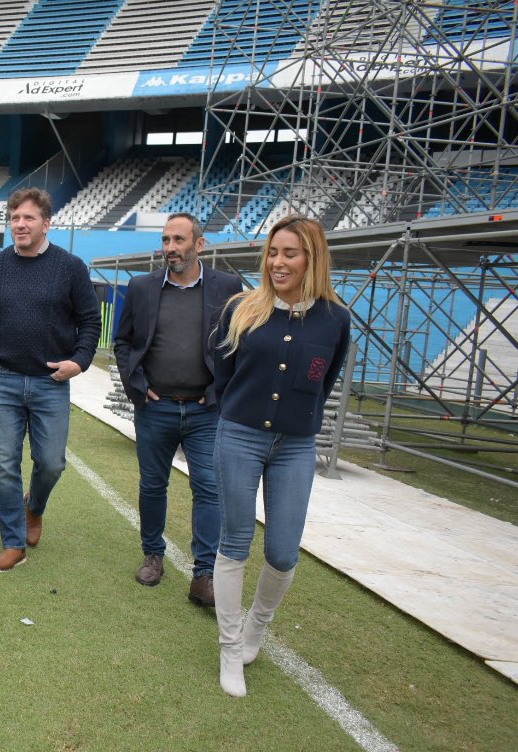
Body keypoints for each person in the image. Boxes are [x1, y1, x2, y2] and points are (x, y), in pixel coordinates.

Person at [211, 215, 351, 697]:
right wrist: (236, 414)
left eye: (290, 253)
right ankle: (230, 648)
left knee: (284, 551)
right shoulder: (242, 308)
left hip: (295, 444)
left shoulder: (335, 318)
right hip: (240, 435)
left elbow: (323, 382)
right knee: (235, 540)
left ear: (312, 259)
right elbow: (221, 373)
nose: (278, 262)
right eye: (273, 252)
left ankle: (256, 629)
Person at [113, 213, 243, 607]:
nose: (170, 248)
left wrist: (218, 390)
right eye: (166, 240)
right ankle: (153, 554)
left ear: (199, 245)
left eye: (179, 240)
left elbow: (236, 344)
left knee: (208, 487)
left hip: (206, 411)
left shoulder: (228, 287)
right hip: (157, 408)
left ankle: (203, 573)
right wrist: (137, 386)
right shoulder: (141, 287)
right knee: (153, 485)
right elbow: (124, 343)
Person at [0, 187, 101, 572]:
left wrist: (79, 363)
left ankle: (35, 508)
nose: (20, 224)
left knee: (51, 464)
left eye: (28, 218)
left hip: (51, 383)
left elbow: (90, 321)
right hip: (1, 381)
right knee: (3, 464)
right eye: (15, 218)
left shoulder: (70, 267)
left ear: (46, 223)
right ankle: (13, 542)